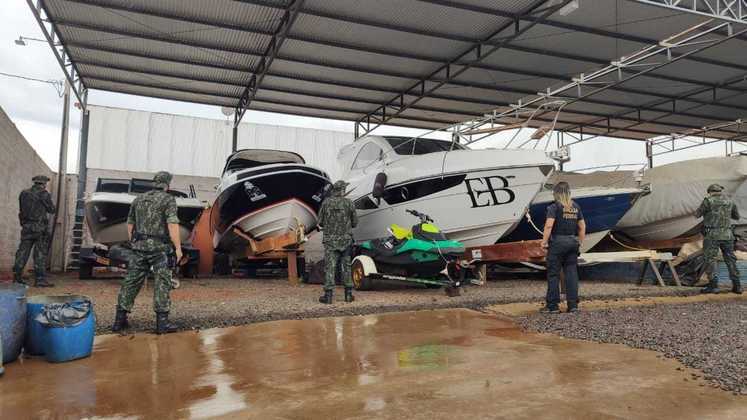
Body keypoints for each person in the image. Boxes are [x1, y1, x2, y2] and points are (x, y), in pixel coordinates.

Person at [112, 171, 183, 334]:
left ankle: (119, 321)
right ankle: (162, 324)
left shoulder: (139, 199)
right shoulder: (168, 199)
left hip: (139, 248)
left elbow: (130, 223)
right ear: (167, 185)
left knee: (131, 281)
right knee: (162, 282)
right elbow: (172, 224)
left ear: (154, 183)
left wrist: (134, 242)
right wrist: (178, 248)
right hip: (160, 249)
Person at [541, 182, 586, 313]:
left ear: (555, 193)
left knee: (553, 274)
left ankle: (553, 306)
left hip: (557, 243)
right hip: (572, 242)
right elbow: (582, 227)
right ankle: (573, 306)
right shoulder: (576, 207)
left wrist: (544, 242)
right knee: (571, 273)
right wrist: (579, 243)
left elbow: (549, 226)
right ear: (569, 192)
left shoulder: (554, 207)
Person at [695, 184, 742, 295]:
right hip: (727, 234)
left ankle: (713, 286)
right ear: (720, 191)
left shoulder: (708, 201)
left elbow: (697, 214)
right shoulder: (729, 201)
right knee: (731, 260)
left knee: (710, 259)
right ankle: (737, 286)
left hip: (712, 235)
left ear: (710, 191)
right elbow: (736, 217)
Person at [318, 180, 358, 304]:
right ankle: (348, 295)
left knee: (330, 267)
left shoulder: (326, 203)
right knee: (346, 267)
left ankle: (328, 296)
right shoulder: (349, 203)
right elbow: (355, 223)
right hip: (345, 241)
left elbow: (320, 222)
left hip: (330, 241)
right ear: (342, 190)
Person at [13, 175, 56, 288]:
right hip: (40, 228)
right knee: (39, 254)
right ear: (44, 183)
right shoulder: (44, 194)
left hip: (27, 227)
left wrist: (24, 223)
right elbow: (52, 210)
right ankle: (40, 280)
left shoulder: (24, 193)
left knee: (22, 252)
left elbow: (21, 210)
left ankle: (17, 277)